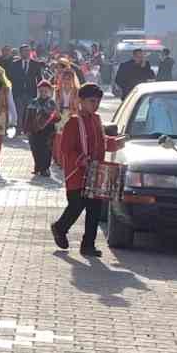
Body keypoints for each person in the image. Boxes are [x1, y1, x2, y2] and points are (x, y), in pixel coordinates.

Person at [51, 83, 124, 257]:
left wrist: (116, 143)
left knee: (94, 210)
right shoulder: (73, 122)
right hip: (77, 174)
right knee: (77, 205)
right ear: (81, 101)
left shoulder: (97, 119)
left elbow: (102, 141)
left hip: (96, 173)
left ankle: (88, 245)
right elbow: (66, 149)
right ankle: (60, 227)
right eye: (92, 101)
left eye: (98, 101)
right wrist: (82, 160)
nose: (95, 105)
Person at [24, 80, 59, 179]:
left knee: (46, 150)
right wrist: (27, 128)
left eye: (45, 91)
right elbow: (28, 116)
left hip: (48, 130)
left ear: (49, 91)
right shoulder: (33, 102)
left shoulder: (52, 103)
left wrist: (55, 116)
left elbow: (57, 118)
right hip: (34, 130)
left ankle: (45, 168)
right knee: (35, 149)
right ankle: (37, 166)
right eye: (41, 91)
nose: (43, 93)